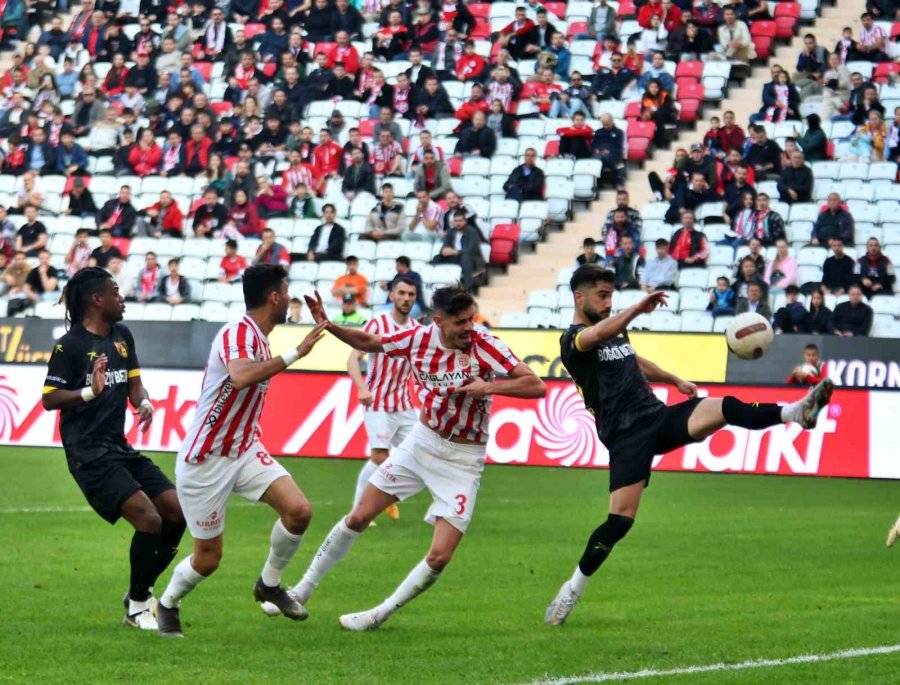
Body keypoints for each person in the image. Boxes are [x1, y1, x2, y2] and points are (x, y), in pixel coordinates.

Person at [544, 265, 833, 626]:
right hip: (625, 436)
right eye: (601, 296)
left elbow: (633, 359)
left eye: (610, 296)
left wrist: (674, 379)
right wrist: (634, 310)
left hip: (657, 417)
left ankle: (796, 412)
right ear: (579, 297)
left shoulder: (614, 332)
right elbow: (600, 332)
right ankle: (571, 590)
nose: (607, 303)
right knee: (619, 522)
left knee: (724, 406)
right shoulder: (573, 340)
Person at [272, 287, 544, 630]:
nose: (468, 328)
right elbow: (369, 342)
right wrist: (329, 324)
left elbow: (536, 385)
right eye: (460, 322)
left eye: (472, 319)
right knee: (358, 516)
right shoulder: (417, 338)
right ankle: (303, 589)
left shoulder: (484, 344)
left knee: (440, 556)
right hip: (422, 442)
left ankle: (379, 614)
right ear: (439, 321)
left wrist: (487, 387)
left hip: (464, 457)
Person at [156, 266, 327, 637]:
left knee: (298, 512)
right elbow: (241, 376)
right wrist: (298, 352)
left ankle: (269, 584)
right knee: (208, 559)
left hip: (244, 449)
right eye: (287, 291)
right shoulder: (237, 332)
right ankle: (167, 603)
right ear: (275, 297)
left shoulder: (261, 339)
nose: (291, 299)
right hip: (206, 459)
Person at [42, 267, 186, 631]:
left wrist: (145, 404)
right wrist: (90, 390)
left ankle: (139, 592)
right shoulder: (70, 345)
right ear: (97, 300)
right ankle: (139, 607)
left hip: (119, 447)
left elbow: (135, 384)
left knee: (177, 513)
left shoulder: (122, 336)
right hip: (87, 453)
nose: (123, 299)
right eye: (116, 292)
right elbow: (49, 398)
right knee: (150, 521)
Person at [345, 278, 419, 521]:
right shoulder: (378, 323)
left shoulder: (417, 330)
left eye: (411, 294)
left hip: (404, 404)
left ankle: (388, 498)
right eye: (401, 293)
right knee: (379, 457)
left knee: (419, 455)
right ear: (392, 296)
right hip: (376, 401)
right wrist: (361, 388)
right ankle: (358, 511)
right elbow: (353, 358)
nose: (406, 298)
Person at [433, 210, 485, 291]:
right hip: (455, 257)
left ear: (465, 221)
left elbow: (471, 249)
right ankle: (437, 285)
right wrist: (443, 251)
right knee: (436, 258)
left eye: (460, 221)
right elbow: (445, 247)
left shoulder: (472, 231)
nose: (458, 223)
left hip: (472, 259)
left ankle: (468, 288)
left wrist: (455, 251)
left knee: (465, 257)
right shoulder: (451, 231)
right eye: (456, 221)